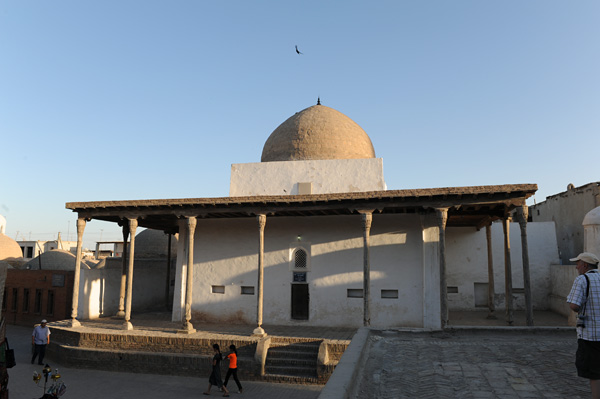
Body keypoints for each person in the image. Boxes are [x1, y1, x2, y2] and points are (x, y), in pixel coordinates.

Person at [567, 252, 600, 398]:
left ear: (585, 265)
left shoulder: (582, 279)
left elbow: (574, 305)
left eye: (578, 264)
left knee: (594, 371)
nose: (576, 267)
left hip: (591, 334)